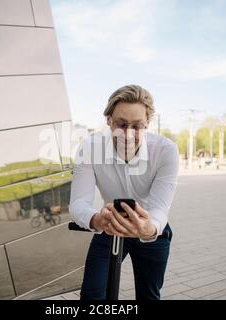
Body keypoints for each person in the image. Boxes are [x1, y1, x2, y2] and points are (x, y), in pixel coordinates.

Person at [69, 85, 179, 300]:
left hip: (150, 230)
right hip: (109, 226)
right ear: (109, 120)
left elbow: (159, 208)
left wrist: (149, 228)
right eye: (121, 124)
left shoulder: (166, 150)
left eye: (137, 126)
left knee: (148, 295)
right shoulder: (89, 147)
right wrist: (95, 219)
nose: (128, 134)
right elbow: (78, 203)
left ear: (147, 123)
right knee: (92, 295)